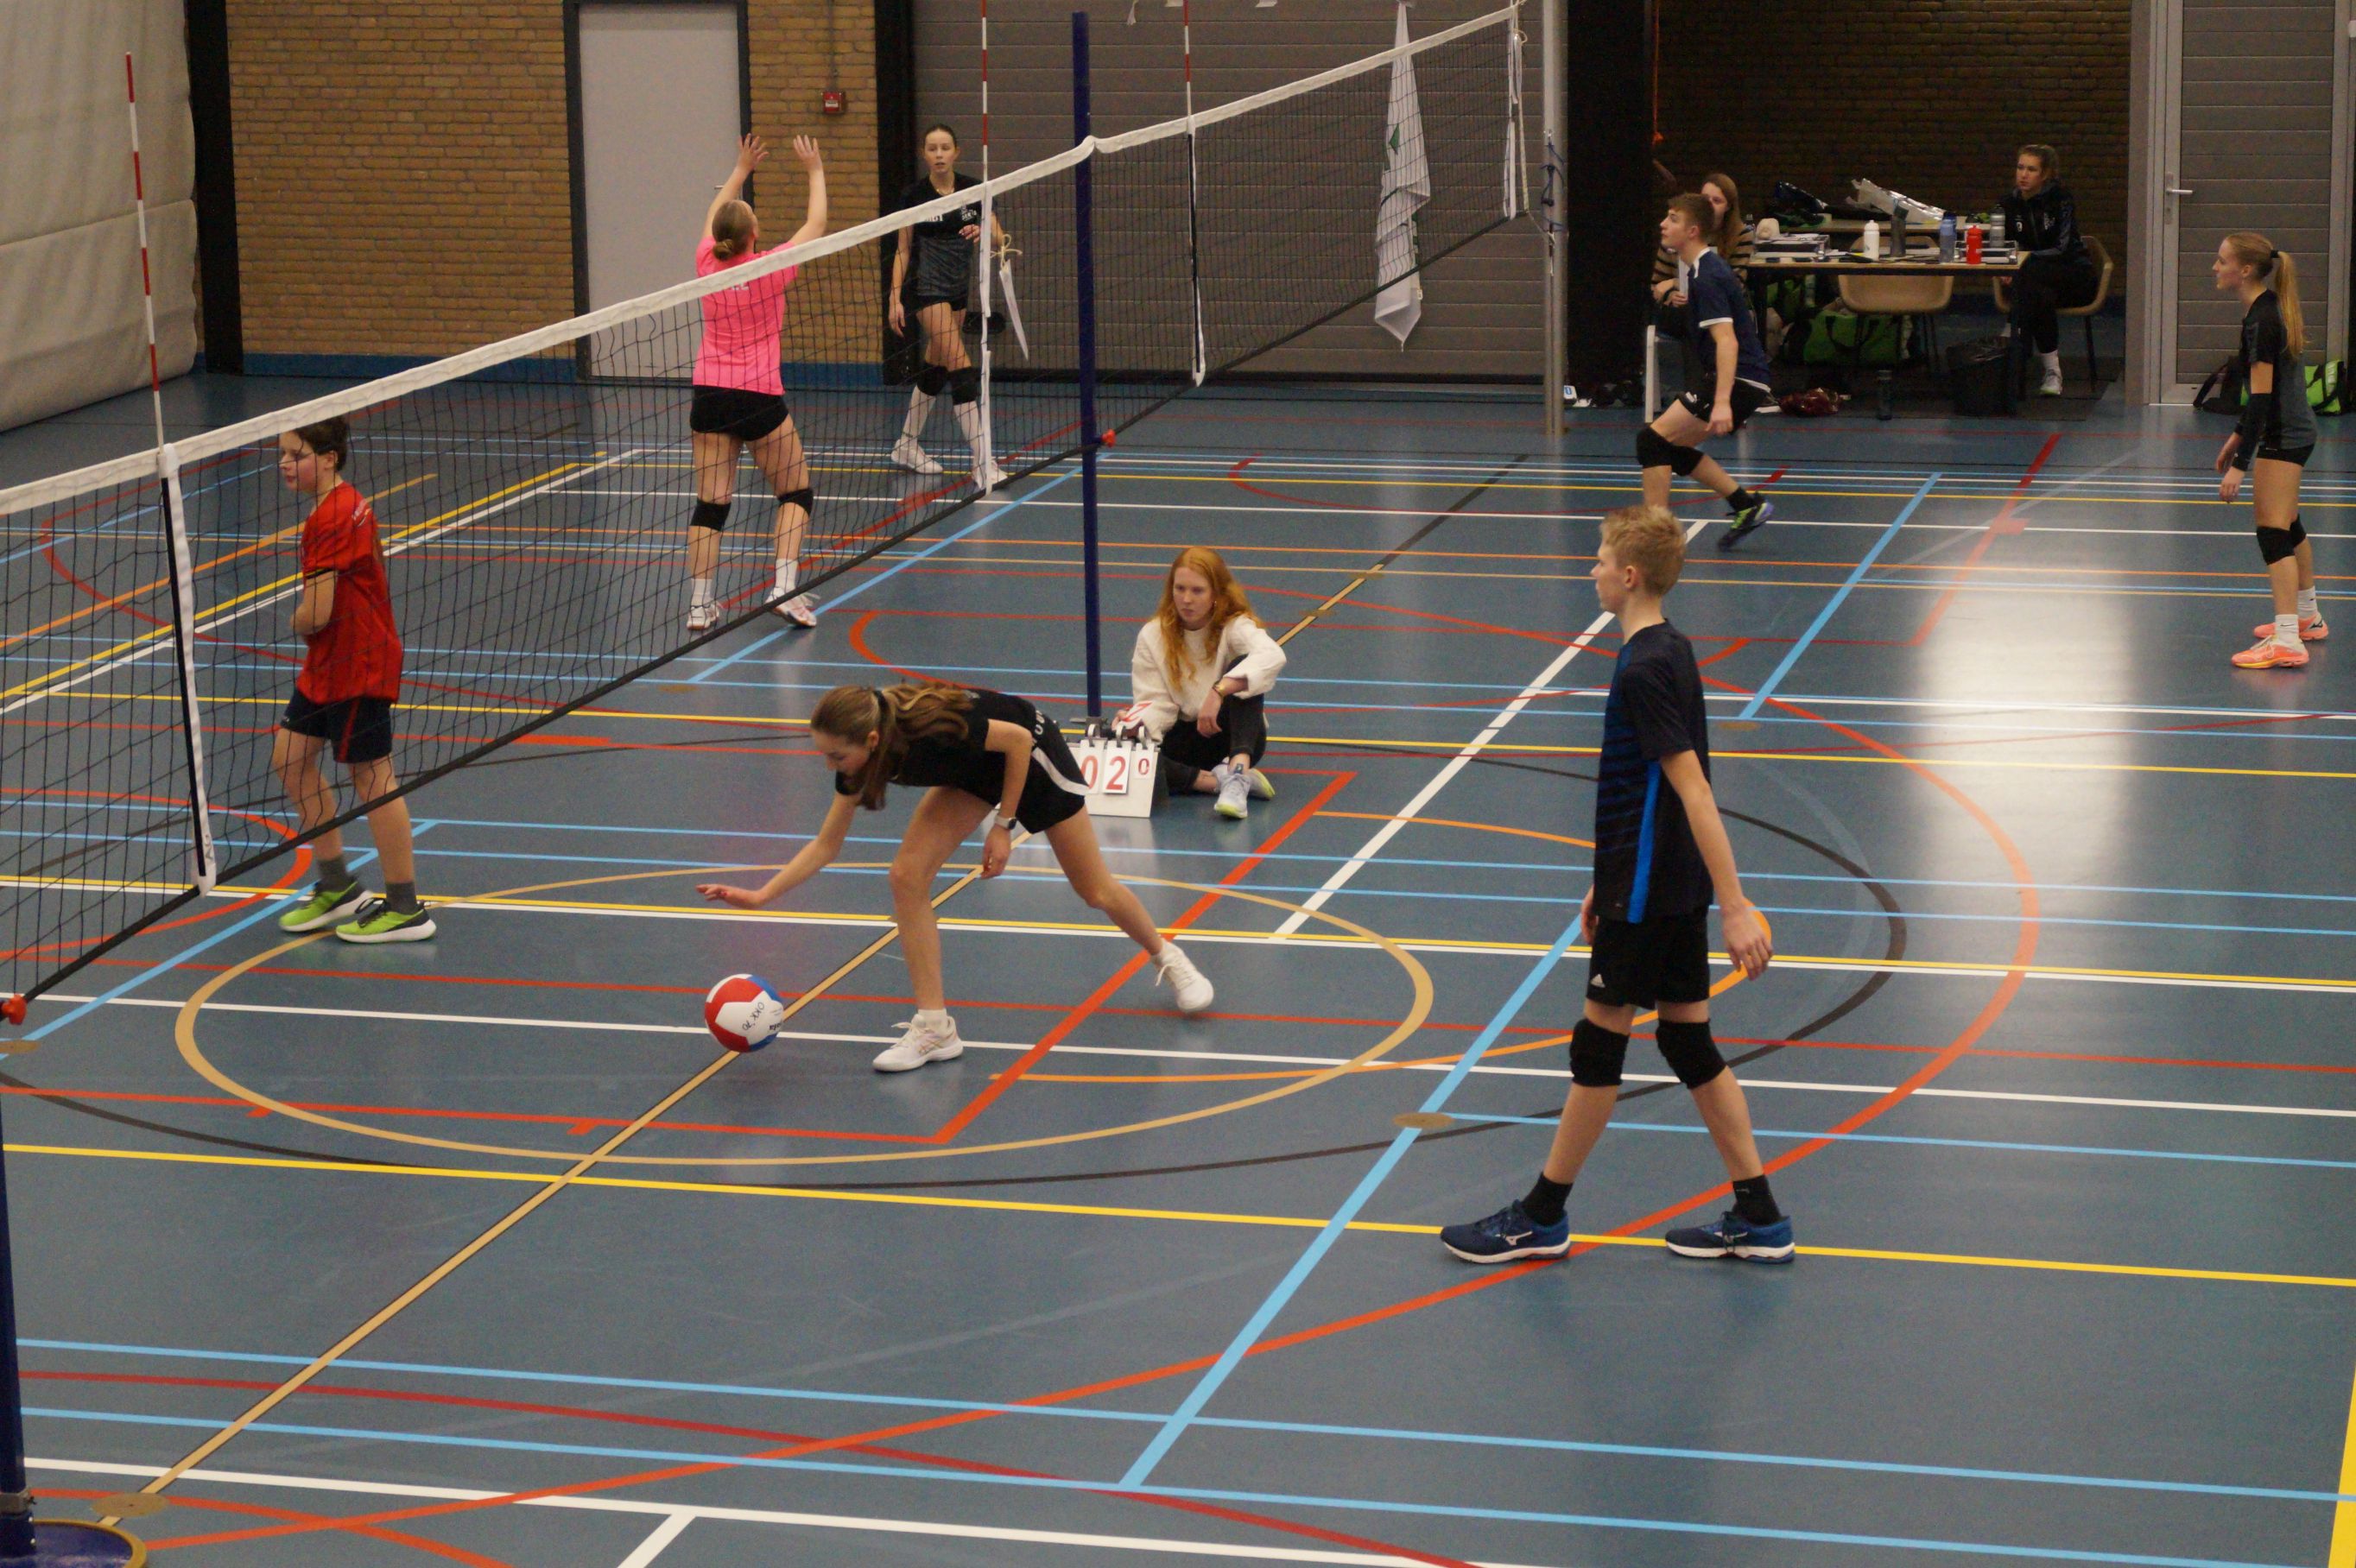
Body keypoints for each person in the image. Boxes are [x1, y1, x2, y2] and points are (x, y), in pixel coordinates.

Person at [1440, 505, 1783, 1266]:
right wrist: (1608, 877)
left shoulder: (1643, 668)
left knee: (1598, 1047)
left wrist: (1735, 905)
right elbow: (1646, 791)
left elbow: (1693, 789)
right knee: (1688, 1041)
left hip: (1653, 891)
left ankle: (1541, 1216)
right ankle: (1760, 1217)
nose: (1589, 569)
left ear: (1628, 576)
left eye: (1598, 559)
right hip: (1658, 884)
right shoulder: (1670, 648)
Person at [697, 682, 1214, 1071]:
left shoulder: (935, 731)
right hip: (971, 771)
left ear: (872, 739)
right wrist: (762, 895)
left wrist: (1003, 827)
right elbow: (826, 845)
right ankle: (935, 1028)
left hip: (1030, 756)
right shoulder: (859, 762)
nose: (831, 765)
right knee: (906, 876)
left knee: (1094, 890)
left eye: (836, 755)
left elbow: (1015, 741)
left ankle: (1168, 957)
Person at [269, 418, 435, 945]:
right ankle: (338, 885)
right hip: (330, 663)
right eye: (282, 455)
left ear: (328, 458)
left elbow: (316, 613)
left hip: (359, 664)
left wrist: (295, 620)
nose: (285, 464)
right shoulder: (344, 503)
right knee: (291, 760)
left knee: (372, 778)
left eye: (296, 455)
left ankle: (406, 907)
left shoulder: (331, 517)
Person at [685, 133, 828, 635]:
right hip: (758, 395)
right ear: (755, 233)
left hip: (710, 395)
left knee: (711, 505)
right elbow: (816, 224)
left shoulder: (706, 261)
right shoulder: (771, 267)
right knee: (796, 493)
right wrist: (813, 169)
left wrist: (741, 168)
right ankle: (784, 590)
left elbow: (714, 214)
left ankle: (700, 606)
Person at [1636, 193, 1775, 551]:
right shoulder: (1700, 271)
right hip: (1741, 378)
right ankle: (1747, 505)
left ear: (1693, 230)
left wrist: (1723, 402)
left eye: (1673, 218)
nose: (1663, 224)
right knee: (1672, 448)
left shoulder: (1708, 276)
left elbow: (1727, 341)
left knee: (1651, 442)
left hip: (1739, 379)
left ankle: (1657, 537)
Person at [2214, 232, 2321, 669]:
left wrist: (2240, 465)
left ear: (2244, 270)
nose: (2215, 267)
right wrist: (2238, 435)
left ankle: (2288, 639)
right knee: (2288, 521)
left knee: (2272, 529)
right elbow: (2264, 392)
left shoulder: (2262, 319)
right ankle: (2308, 617)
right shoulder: (2264, 309)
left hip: (2284, 434)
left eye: (2222, 261)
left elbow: (2261, 399)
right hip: (2294, 429)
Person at [888, 124, 1010, 492]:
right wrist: (894, 297)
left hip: (957, 291)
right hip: (925, 290)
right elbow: (903, 249)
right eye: (932, 148)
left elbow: (999, 237)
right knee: (961, 366)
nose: (939, 154)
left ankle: (906, 444)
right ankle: (982, 461)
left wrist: (984, 233)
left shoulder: (974, 191)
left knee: (937, 366)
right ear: (924, 154)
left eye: (945, 148)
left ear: (956, 152)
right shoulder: (914, 196)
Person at [1124, 547, 1286, 819]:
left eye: (1197, 591)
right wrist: (1138, 725)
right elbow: (1156, 704)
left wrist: (1219, 690)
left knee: (1244, 668)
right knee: (1125, 749)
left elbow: (1272, 656)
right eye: (1180, 589)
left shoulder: (1234, 626)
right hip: (1184, 742)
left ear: (1216, 594)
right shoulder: (1153, 635)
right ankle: (1215, 782)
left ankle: (1237, 770)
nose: (1186, 599)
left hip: (1232, 737)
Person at [1999, 144, 2098, 397]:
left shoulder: (2061, 199)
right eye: (2020, 167)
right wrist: (2006, 266)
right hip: (2036, 284)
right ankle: (2052, 372)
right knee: (2038, 294)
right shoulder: (2009, 203)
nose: (2024, 175)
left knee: (2030, 282)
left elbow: (2063, 249)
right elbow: (2005, 245)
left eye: (2031, 170)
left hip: (2074, 277)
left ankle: (2011, 338)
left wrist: (2022, 263)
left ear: (2045, 175)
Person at [1649, 170, 1752, 345]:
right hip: (1680, 314)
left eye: (1717, 201)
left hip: (1720, 312)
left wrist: (1677, 282)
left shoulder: (1739, 236)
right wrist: (1670, 294)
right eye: (1705, 199)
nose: (1709, 205)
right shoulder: (1675, 234)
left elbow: (1733, 287)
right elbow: (1656, 286)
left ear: (1728, 207)